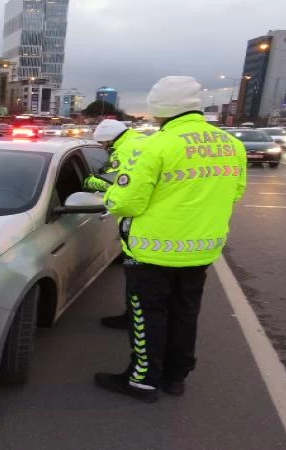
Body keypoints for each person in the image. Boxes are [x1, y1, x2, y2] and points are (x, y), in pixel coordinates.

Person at [94, 76, 247, 403]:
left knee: (148, 317)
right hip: (201, 251)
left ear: (159, 107)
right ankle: (176, 377)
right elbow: (235, 193)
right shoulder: (231, 145)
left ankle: (142, 382)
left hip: (151, 252)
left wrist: (108, 197)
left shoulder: (158, 145)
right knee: (185, 313)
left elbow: (126, 202)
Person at [83, 119, 147, 330]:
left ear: (110, 139)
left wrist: (89, 181)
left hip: (135, 219)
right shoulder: (139, 141)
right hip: (147, 216)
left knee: (137, 279)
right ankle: (137, 316)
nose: (103, 148)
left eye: (103, 144)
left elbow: (114, 182)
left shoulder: (124, 150)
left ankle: (133, 319)